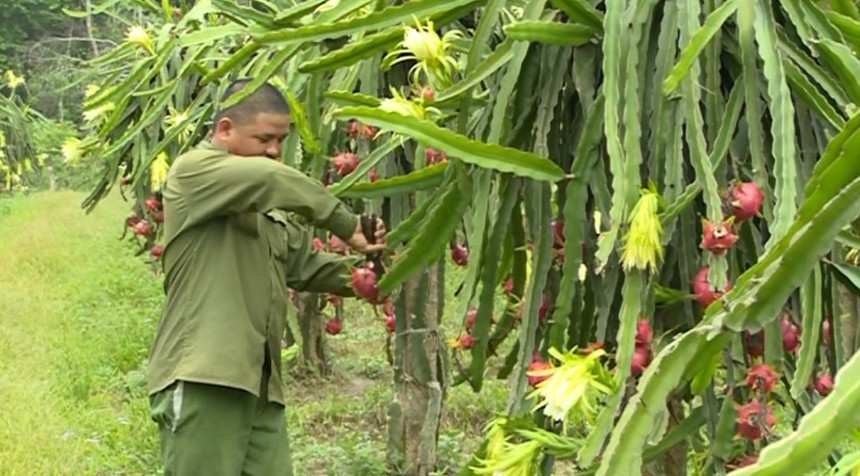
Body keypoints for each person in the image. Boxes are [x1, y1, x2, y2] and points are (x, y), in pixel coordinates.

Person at [146, 78, 385, 476]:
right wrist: (347, 224)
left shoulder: (265, 205)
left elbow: (303, 267)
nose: (274, 151)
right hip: (206, 376)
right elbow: (272, 178)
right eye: (264, 139)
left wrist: (369, 278)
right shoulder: (194, 173)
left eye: (281, 140)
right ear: (225, 129)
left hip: (259, 381)